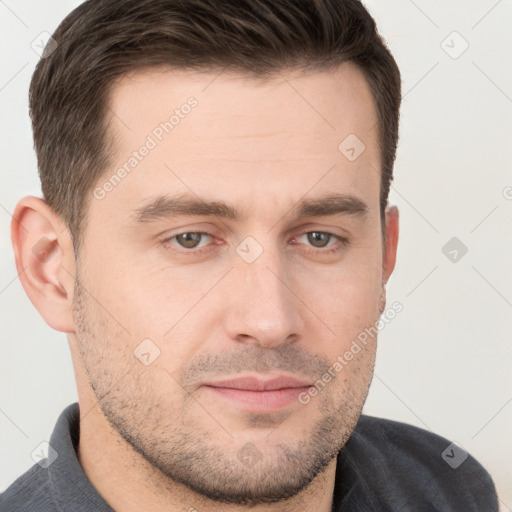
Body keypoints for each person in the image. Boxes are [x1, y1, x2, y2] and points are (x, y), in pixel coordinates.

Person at [1, 0, 498, 510]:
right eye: (190, 239)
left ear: (385, 256)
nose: (269, 321)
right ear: (52, 270)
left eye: (319, 238)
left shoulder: (445, 489)